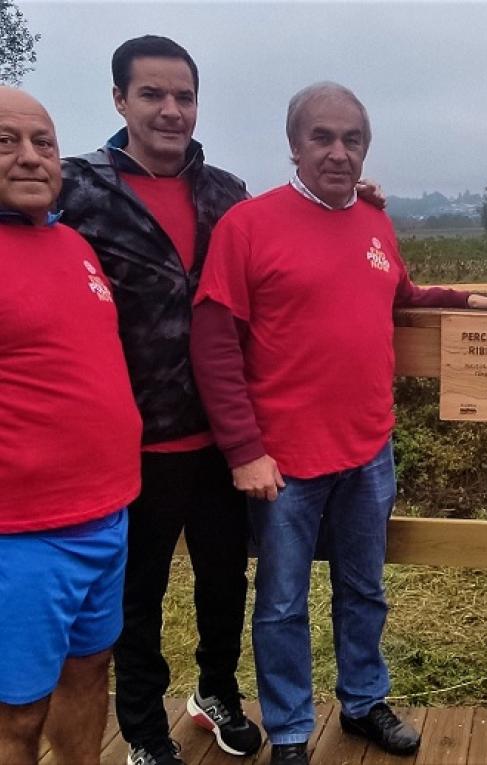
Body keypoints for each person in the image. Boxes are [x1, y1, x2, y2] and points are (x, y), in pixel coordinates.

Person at [190, 81, 487, 765]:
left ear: (366, 147)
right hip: (283, 460)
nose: (339, 153)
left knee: (364, 588)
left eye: (353, 139)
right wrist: (244, 449)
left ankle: (364, 700)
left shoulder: (373, 220)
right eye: (323, 138)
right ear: (294, 144)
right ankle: (288, 730)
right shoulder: (248, 226)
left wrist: (460, 299)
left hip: (369, 449)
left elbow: (397, 293)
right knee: (281, 603)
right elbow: (214, 343)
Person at [57, 35, 260, 765]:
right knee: (133, 596)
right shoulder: (75, 187)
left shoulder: (227, 192)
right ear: (120, 100)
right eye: (153, 94)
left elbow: (279, 258)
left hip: (221, 432)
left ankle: (215, 692)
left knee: (223, 579)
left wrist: (350, 199)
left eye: (184, 96)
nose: (171, 110)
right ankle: (142, 724)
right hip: (126, 438)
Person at [0, 86, 142, 765]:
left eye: (43, 143)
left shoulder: (74, 244)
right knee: (15, 713)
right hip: (20, 536)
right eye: (6, 142)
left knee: (88, 674)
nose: (30, 157)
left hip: (104, 517)